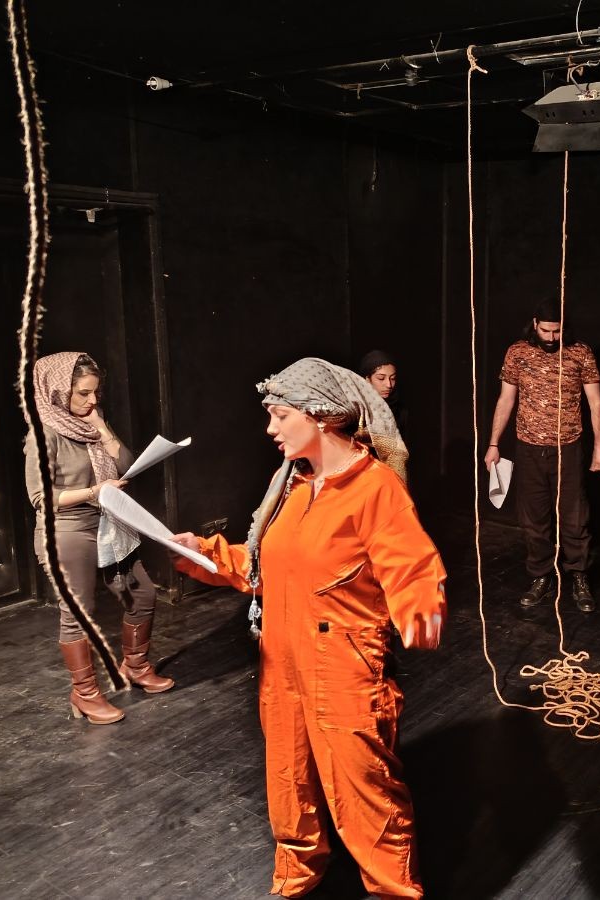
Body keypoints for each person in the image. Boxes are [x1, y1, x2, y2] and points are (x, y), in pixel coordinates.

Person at [171, 357, 445, 899]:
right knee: (289, 779)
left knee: (365, 792)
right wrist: (204, 554)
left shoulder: (374, 488)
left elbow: (413, 566)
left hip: (344, 665)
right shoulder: (292, 486)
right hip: (283, 660)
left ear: (320, 416)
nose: (270, 429)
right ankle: (296, 876)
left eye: (280, 416)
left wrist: (420, 610)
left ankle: (393, 891)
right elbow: (266, 566)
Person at [24, 352, 174, 726]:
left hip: (108, 521)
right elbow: (41, 497)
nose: (92, 401)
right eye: (83, 394)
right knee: (79, 612)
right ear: (58, 392)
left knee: (142, 594)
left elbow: (126, 466)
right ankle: (85, 693)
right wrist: (94, 491)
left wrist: (103, 430)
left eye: (96, 392)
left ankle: (135, 666)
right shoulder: (44, 434)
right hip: (68, 528)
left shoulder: (92, 424)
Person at [484, 298, 600, 613]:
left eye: (558, 331)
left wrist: (599, 448)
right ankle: (541, 575)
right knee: (534, 519)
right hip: (528, 449)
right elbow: (505, 399)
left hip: (569, 448)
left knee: (574, 518)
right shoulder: (517, 352)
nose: (552, 337)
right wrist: (493, 443)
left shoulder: (580, 352)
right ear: (535, 324)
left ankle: (578, 575)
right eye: (546, 330)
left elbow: (596, 403)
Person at [359, 348, 406, 435]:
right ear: (367, 379)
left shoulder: (400, 411)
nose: (389, 385)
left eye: (393, 378)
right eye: (381, 378)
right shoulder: (356, 408)